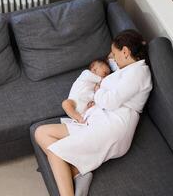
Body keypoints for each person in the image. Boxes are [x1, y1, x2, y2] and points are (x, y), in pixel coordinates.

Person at [34, 29, 153, 196]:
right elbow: (109, 73)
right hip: (97, 119)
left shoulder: (139, 73)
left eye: (114, 53)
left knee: (54, 152)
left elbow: (110, 101)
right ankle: (75, 171)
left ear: (125, 52)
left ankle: (70, 172)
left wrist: (98, 92)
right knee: (41, 132)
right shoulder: (127, 68)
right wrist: (99, 94)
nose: (112, 58)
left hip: (113, 127)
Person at [62, 59, 111, 124]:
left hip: (86, 108)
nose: (106, 76)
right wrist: (102, 80)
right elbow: (99, 79)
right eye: (105, 73)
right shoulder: (86, 73)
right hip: (75, 102)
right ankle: (78, 118)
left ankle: (83, 120)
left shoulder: (98, 85)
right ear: (94, 69)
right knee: (66, 103)